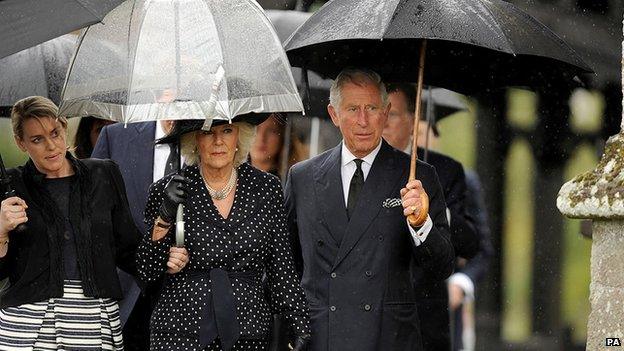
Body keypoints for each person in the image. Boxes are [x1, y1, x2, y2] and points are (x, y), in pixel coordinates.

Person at [284, 68, 454, 351]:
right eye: (352, 109)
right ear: (334, 114)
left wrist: (421, 224)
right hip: (322, 336)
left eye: (372, 108)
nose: (363, 120)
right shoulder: (302, 177)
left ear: (385, 112)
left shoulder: (417, 177)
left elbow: (441, 266)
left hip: (388, 337)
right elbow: (285, 266)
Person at [136, 115, 311, 351]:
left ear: (240, 135)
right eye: (208, 132)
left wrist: (298, 322)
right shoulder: (168, 190)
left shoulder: (266, 189)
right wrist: (165, 216)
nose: (218, 141)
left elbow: (281, 267)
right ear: (194, 139)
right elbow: (146, 271)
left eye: (227, 131)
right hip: (180, 332)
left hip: (248, 332)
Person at [0, 96, 140, 350]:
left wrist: (167, 256)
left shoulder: (104, 174)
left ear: (65, 126)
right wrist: (0, 232)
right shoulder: (10, 186)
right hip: (25, 324)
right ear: (21, 143)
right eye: (37, 139)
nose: (51, 146)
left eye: (55, 132)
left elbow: (129, 249)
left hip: (92, 321)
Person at [383, 83, 490, 350]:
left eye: (392, 114)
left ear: (413, 121)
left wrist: (436, 212)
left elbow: (471, 243)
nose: (381, 121)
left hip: (423, 317)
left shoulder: (444, 171)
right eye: (377, 111)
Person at [92, 119, 177, 350]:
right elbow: (92, 216)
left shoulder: (212, 138)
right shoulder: (115, 136)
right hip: (126, 296)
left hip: (190, 301)